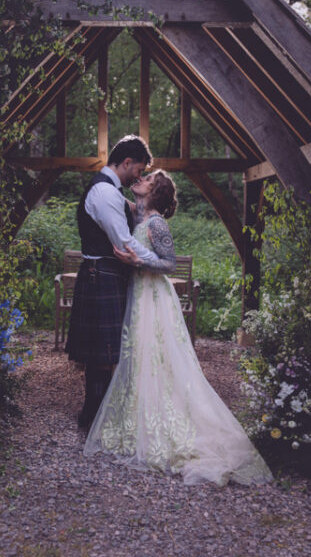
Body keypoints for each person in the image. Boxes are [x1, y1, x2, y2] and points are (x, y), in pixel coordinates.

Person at [84, 170, 273, 486]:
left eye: (146, 179)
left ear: (154, 190)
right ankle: (139, 420)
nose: (140, 180)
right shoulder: (139, 218)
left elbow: (169, 263)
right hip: (138, 293)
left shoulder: (157, 223)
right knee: (138, 355)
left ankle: (167, 426)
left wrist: (137, 263)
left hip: (154, 297)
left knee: (155, 355)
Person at [65, 136, 176, 430]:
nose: (139, 175)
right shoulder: (104, 192)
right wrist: (148, 260)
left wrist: (147, 258)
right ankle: (93, 418)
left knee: (107, 352)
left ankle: (98, 415)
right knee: (102, 354)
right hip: (102, 274)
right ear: (126, 163)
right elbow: (124, 243)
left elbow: (144, 220)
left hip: (107, 275)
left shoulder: (113, 193)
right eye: (139, 169)